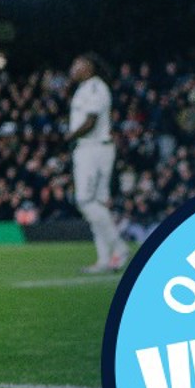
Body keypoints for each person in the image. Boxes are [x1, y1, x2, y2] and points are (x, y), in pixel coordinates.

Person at [65, 54, 125, 274]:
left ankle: (119, 247)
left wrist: (70, 136)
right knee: (98, 205)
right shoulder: (85, 88)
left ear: (88, 67)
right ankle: (105, 259)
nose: (72, 68)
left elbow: (90, 121)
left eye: (76, 64)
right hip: (93, 148)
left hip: (93, 148)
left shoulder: (94, 88)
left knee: (85, 200)